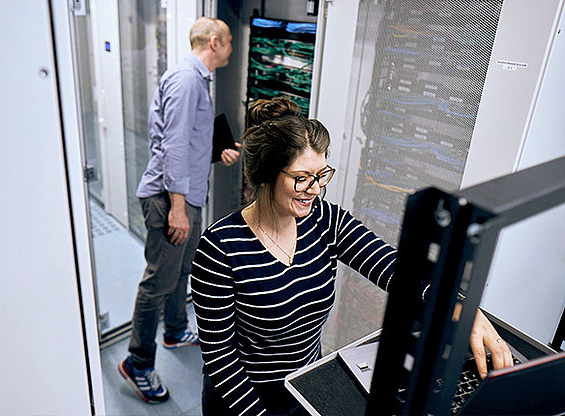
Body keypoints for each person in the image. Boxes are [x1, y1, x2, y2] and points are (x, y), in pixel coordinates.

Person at [190, 97, 514, 416]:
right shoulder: (220, 248)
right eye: (301, 178)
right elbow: (221, 361)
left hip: (303, 386)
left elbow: (393, 268)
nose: (315, 189)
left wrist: (458, 308)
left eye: (321, 174)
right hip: (243, 397)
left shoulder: (325, 220)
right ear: (265, 174)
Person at [118, 17, 240, 404]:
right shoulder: (188, 80)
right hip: (171, 199)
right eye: (230, 41)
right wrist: (177, 209)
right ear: (215, 41)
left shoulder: (196, 79)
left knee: (183, 269)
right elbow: (172, 146)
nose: (232, 47)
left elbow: (188, 141)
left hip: (186, 194)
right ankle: (137, 363)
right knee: (157, 282)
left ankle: (174, 329)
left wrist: (213, 152)